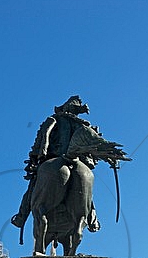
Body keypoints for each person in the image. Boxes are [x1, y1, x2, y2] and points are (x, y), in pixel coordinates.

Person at [11, 96, 101, 234]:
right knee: (86, 191)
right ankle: (92, 218)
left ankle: (21, 217)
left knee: (32, 187)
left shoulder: (54, 119)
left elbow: (44, 134)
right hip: (76, 160)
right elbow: (95, 144)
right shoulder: (83, 126)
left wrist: (39, 153)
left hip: (53, 157)